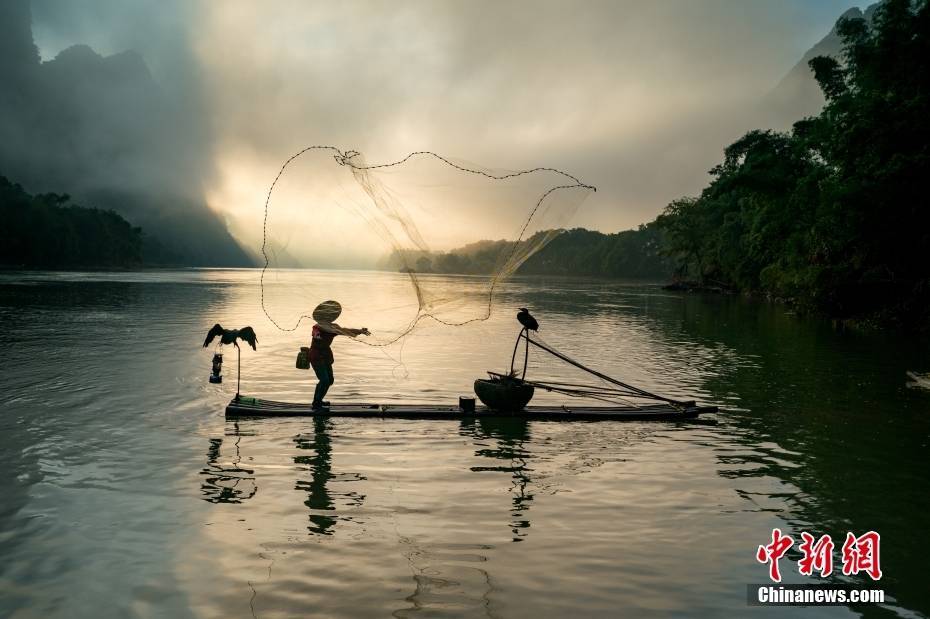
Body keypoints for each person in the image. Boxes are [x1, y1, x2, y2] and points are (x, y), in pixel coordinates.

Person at [309, 300, 370, 410]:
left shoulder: (333, 327)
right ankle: (316, 403)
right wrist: (339, 332)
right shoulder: (317, 327)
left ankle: (319, 400)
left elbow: (344, 330)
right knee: (324, 380)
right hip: (316, 355)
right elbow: (322, 331)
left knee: (330, 380)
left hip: (326, 355)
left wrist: (360, 331)